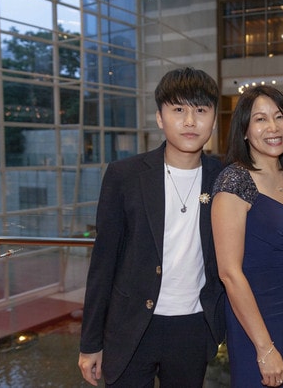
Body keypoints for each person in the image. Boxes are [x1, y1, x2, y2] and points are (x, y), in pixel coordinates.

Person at [78, 67, 226, 387]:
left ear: (214, 119)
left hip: (193, 327)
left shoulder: (225, 176)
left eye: (201, 110)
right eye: (178, 110)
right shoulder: (125, 175)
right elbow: (103, 263)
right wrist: (90, 343)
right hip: (131, 327)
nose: (190, 121)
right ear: (160, 118)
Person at [212, 85, 283, 387]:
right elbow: (229, 273)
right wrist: (265, 348)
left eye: (279, 116)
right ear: (244, 130)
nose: (273, 127)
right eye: (260, 119)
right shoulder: (234, 181)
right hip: (256, 321)